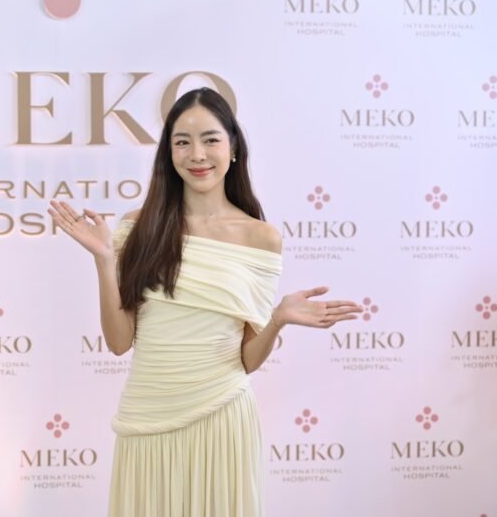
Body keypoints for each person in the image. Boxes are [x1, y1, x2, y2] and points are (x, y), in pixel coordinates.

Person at [48, 87, 361, 517]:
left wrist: (277, 320)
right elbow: (119, 343)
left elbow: (246, 360)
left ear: (233, 148)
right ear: (169, 153)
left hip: (221, 417)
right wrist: (104, 260)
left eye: (210, 139)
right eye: (182, 142)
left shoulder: (261, 237)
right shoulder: (137, 228)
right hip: (147, 417)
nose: (197, 154)